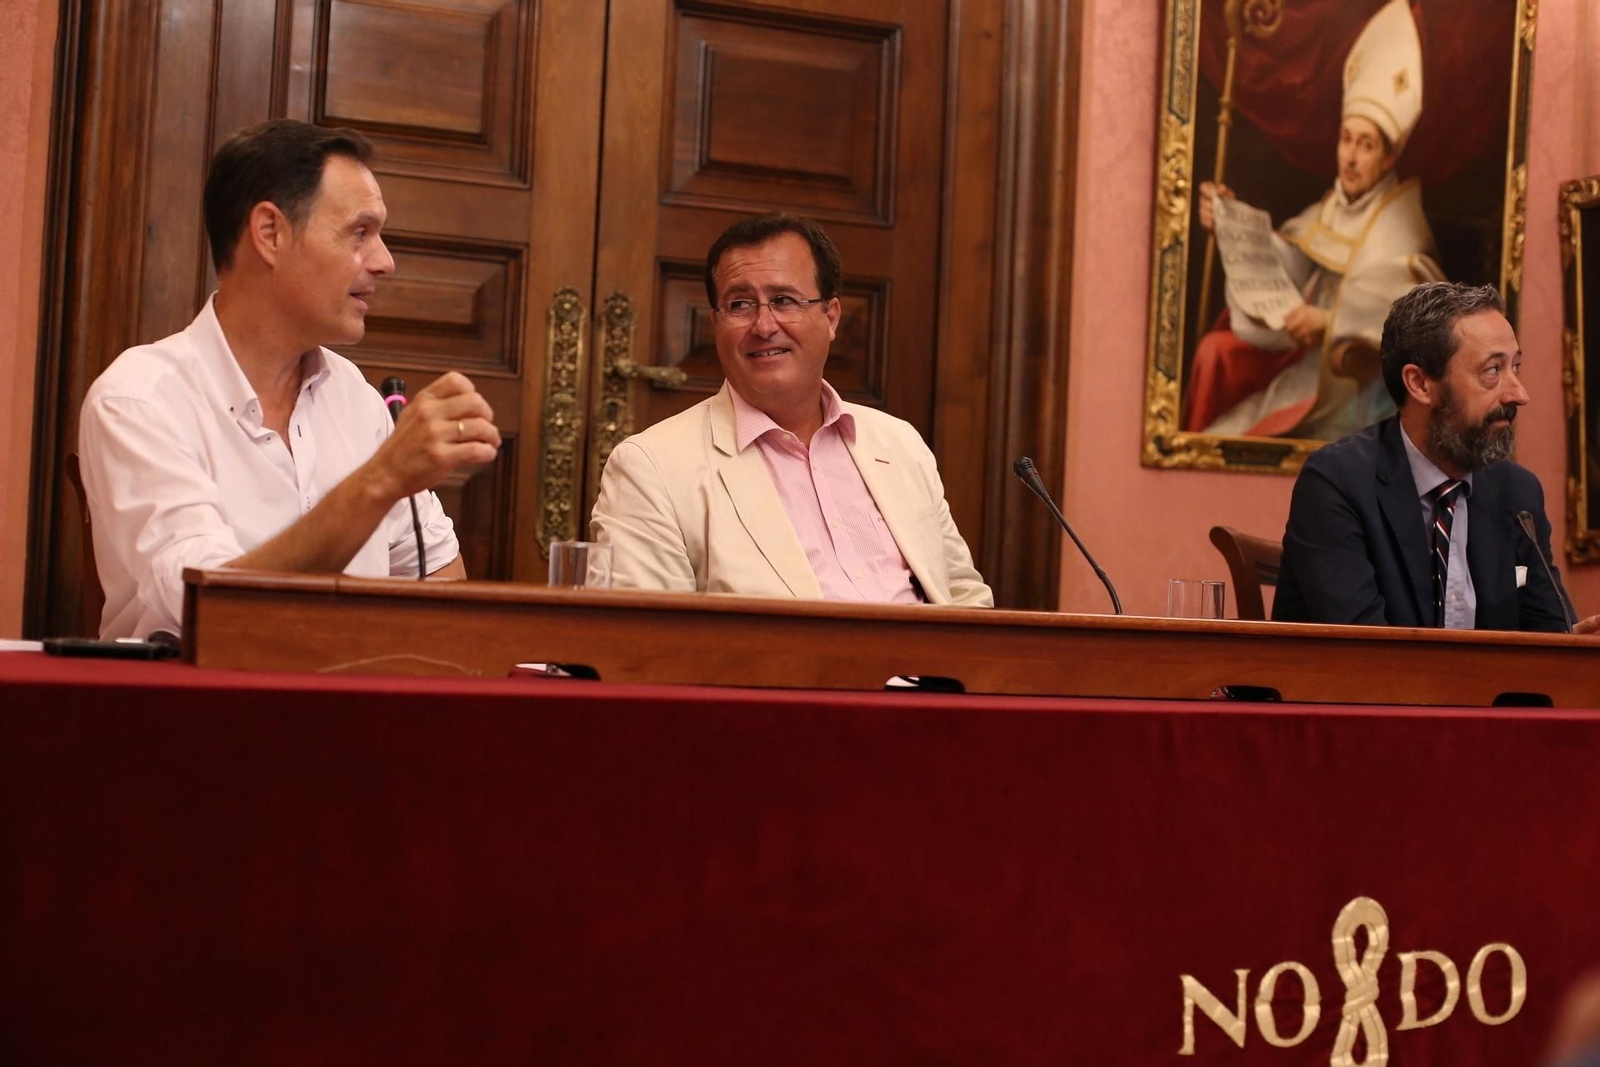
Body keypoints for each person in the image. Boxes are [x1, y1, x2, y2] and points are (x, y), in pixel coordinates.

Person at [79, 119, 501, 639]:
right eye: (360, 233)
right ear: (270, 233)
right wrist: (382, 479)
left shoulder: (358, 400)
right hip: (197, 711)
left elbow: (439, 576)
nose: (385, 261)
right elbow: (212, 607)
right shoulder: (139, 401)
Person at [590, 212, 992, 606]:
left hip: (929, 672)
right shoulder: (651, 468)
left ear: (831, 318)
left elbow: (965, 600)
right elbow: (647, 641)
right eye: (740, 305)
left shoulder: (899, 444)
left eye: (783, 300)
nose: (764, 325)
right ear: (716, 324)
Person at [1185, 0, 1444, 440]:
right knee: (1214, 354)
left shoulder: (1402, 226)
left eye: (1366, 145)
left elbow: (1413, 321)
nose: (1351, 156)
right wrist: (1229, 227)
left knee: (1242, 430)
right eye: (1346, 140)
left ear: (1387, 158)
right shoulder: (1332, 205)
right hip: (1299, 355)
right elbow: (1289, 263)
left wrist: (1329, 324)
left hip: (1346, 382)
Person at [1273, 282, 1598, 632]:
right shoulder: (1338, 483)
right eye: (1492, 371)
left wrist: (1567, 652)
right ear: (1420, 384)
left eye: (1515, 367)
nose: (1519, 393)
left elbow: (1547, 636)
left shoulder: (1516, 494)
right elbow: (1364, 658)